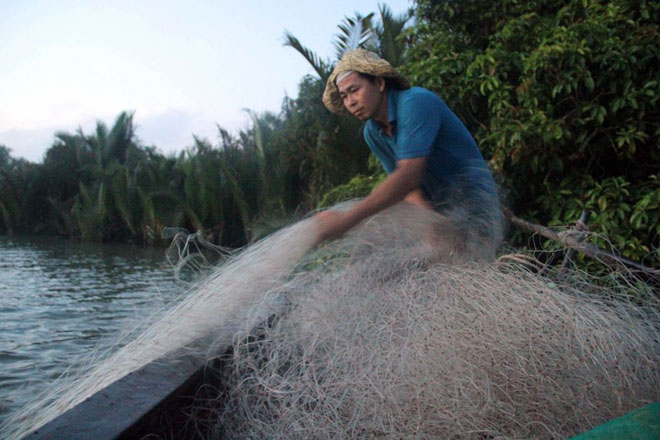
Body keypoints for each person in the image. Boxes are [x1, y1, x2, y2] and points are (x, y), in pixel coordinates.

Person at [315, 49, 501, 247]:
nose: (350, 102)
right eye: (344, 96)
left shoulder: (415, 102)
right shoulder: (372, 132)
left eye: (354, 90)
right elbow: (408, 188)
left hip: (476, 210)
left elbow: (407, 176)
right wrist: (432, 224)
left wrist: (345, 221)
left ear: (379, 83)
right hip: (440, 212)